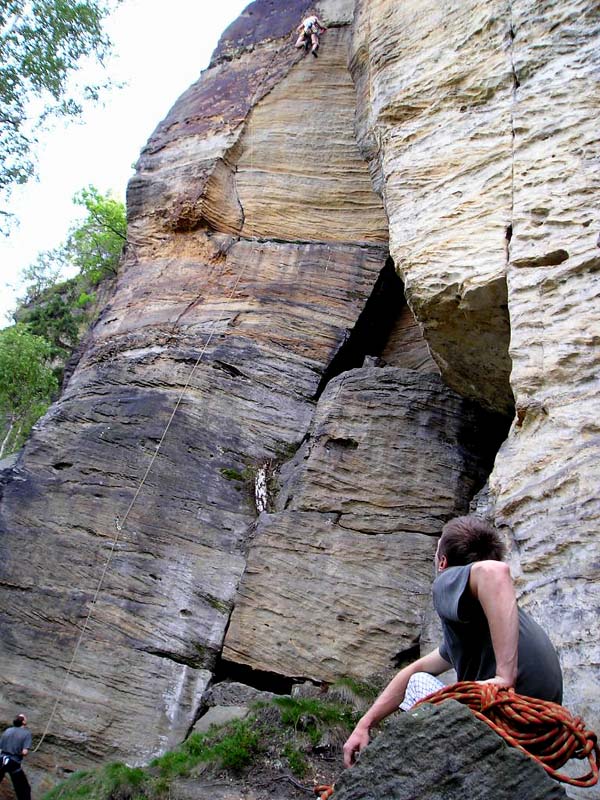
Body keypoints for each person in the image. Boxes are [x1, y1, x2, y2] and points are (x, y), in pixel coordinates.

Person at [343, 516, 563, 767]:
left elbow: (495, 572)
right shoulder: (484, 623)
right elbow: (417, 667)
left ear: (443, 562)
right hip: (544, 745)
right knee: (417, 676)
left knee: (418, 685)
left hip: (507, 731)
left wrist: (504, 676)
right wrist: (366, 723)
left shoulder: (447, 580)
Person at [0, 714, 32, 800]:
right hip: (13, 762)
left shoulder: (7, 730)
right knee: (24, 789)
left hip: (1, 759)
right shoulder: (26, 733)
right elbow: (24, 752)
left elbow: (1, 747)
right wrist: (20, 752)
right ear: (23, 722)